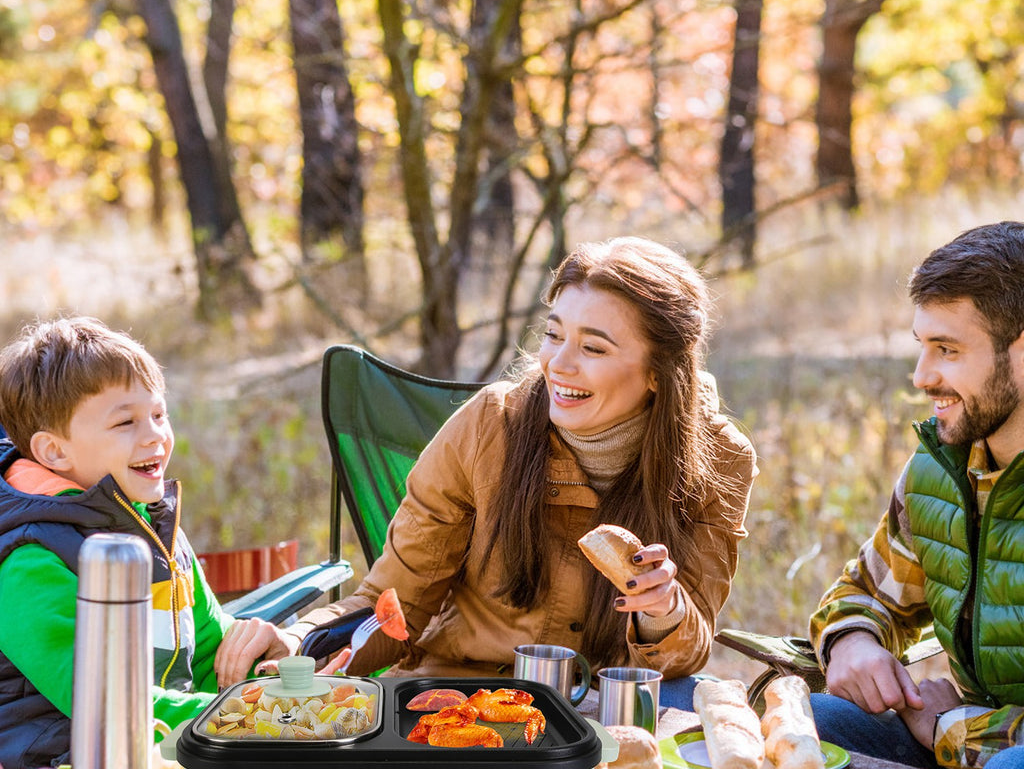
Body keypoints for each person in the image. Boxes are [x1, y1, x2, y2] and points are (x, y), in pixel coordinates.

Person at [251, 236, 756, 695]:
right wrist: (298, 644)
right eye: (554, 335)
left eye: (593, 347)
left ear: (657, 373)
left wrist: (662, 609)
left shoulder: (719, 459)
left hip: (602, 710)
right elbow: (391, 603)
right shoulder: (489, 426)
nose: (559, 363)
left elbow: (687, 653)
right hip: (459, 696)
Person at [808, 221, 1024, 769]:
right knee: (823, 729)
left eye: (947, 350)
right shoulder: (942, 467)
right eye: (920, 345)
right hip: (977, 747)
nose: (921, 373)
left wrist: (949, 730)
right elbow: (861, 590)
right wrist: (857, 640)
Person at [0, 316, 293, 769]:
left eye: (159, 414)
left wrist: (272, 684)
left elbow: (213, 657)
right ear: (55, 452)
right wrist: (247, 718)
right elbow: (104, 699)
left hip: (159, 752)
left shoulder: (156, 528)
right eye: (126, 422)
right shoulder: (29, 559)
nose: (155, 434)